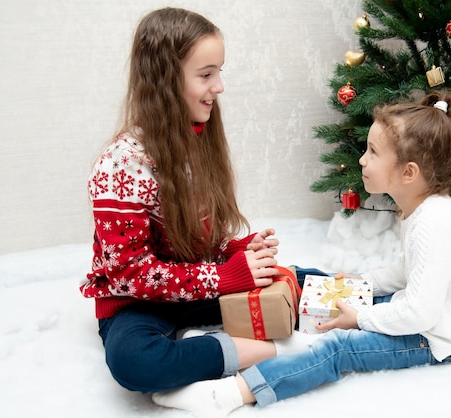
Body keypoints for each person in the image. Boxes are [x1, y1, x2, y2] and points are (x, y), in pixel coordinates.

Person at [151, 90, 451, 416]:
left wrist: (361, 319)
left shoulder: (433, 221)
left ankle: (229, 395)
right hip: (437, 318)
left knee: (341, 347)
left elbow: (419, 314)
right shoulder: (422, 208)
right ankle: (240, 342)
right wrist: (361, 283)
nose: (363, 160)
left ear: (408, 172)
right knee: (341, 297)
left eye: (374, 152)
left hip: (446, 339)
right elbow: (405, 272)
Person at [82, 7, 307, 395]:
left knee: (298, 278)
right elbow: (129, 275)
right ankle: (267, 352)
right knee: (136, 362)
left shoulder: (196, 140)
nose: (218, 86)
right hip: (135, 305)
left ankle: (386, 303)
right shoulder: (120, 165)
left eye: (219, 71)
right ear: (165, 81)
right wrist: (225, 277)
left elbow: (193, 241)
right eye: (205, 75)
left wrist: (236, 252)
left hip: (194, 287)